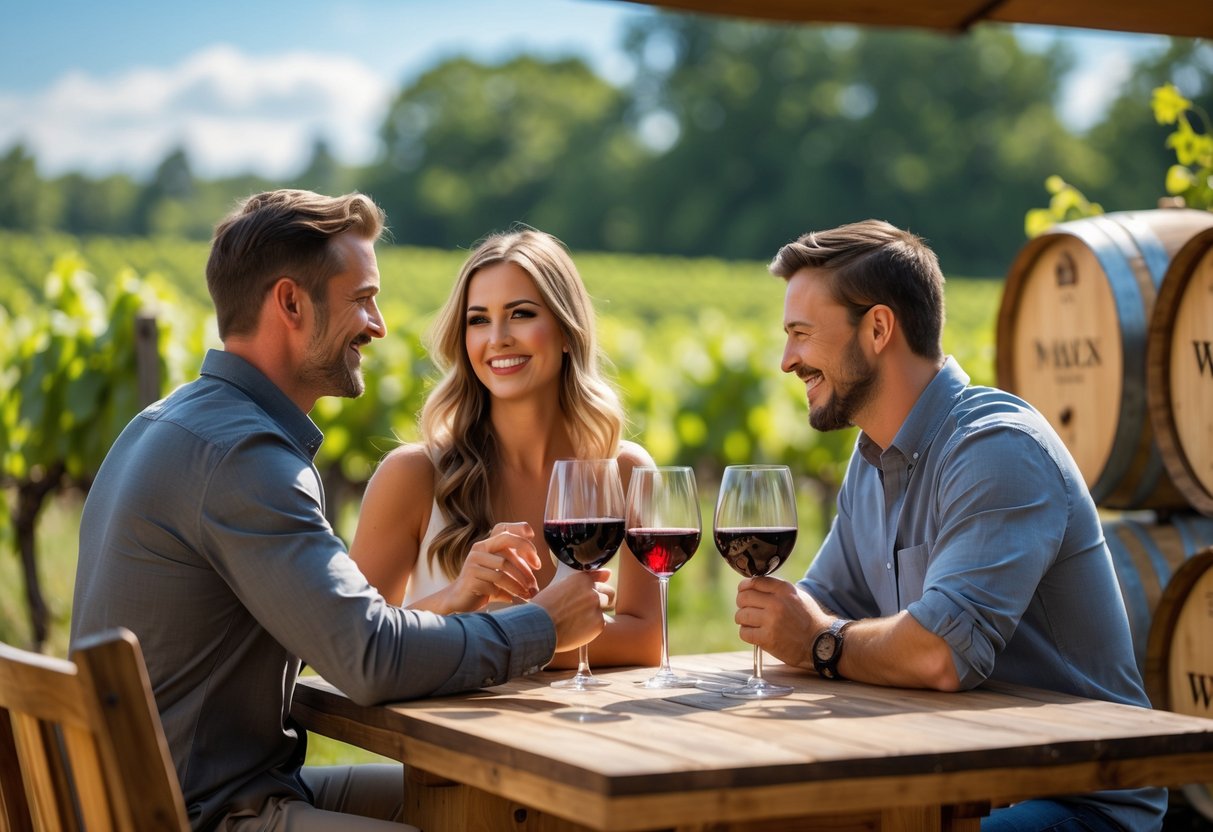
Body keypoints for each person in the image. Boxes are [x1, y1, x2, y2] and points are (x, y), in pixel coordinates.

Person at [69, 190, 613, 832]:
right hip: (200, 814)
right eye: (362, 298)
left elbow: (340, 635)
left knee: (512, 801)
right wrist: (540, 626)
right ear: (291, 304)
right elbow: (368, 660)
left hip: (198, 788)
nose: (377, 325)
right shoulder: (245, 456)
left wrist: (461, 600)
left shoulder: (170, 423)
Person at [734, 219, 1167, 832]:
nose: (787, 360)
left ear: (879, 328)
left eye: (802, 334)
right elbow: (822, 605)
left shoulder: (996, 449)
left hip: (1076, 800)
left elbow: (938, 654)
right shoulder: (871, 463)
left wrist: (819, 642)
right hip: (952, 781)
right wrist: (795, 626)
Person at [350, 228, 661, 671]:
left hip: (581, 736)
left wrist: (506, 632)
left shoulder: (625, 471)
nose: (497, 337)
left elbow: (648, 641)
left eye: (521, 314)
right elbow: (356, 645)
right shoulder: (413, 475)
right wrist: (459, 599)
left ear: (567, 330)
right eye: (478, 320)